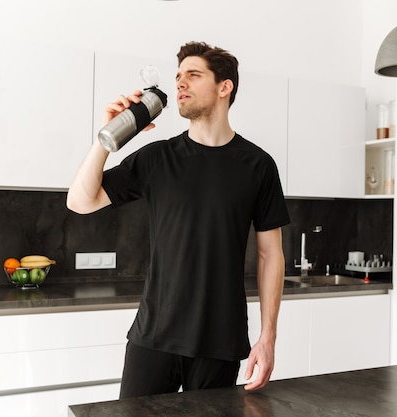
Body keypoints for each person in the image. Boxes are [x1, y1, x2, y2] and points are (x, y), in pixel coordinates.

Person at [67, 41, 290, 398]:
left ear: (224, 87)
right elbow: (80, 201)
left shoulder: (258, 166)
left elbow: (270, 255)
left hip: (220, 340)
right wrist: (106, 138)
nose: (180, 83)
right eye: (178, 77)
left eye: (193, 75)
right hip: (153, 335)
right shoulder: (157, 159)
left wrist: (268, 337)